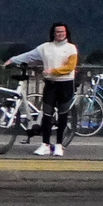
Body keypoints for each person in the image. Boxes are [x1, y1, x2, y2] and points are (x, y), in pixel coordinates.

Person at [6, 23, 80, 157]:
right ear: (53, 33)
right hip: (51, 84)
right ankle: (45, 144)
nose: (60, 34)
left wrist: (54, 71)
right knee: (47, 114)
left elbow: (70, 66)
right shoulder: (45, 47)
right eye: (57, 32)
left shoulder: (71, 48)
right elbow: (29, 56)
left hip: (65, 84)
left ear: (66, 33)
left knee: (63, 115)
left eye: (62, 32)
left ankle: (58, 145)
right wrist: (12, 60)